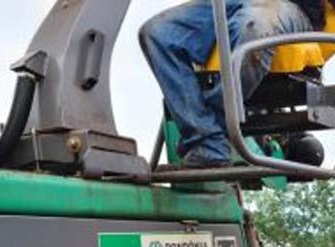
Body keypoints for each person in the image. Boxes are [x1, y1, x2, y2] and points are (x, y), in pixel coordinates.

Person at [139, 0, 325, 168]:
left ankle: (206, 134)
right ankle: (206, 138)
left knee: (253, 28)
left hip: (289, 7)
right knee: (157, 33)